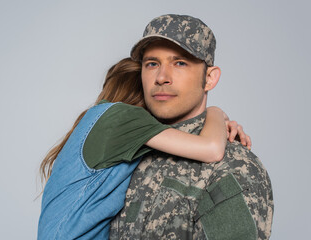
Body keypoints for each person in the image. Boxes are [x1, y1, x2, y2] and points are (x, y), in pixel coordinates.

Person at [37, 57, 250, 239]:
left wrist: (218, 126)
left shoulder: (98, 122)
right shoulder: (122, 118)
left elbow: (188, 136)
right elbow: (211, 149)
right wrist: (216, 112)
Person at [110, 14, 273, 240]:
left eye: (180, 63)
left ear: (209, 79)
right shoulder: (125, 152)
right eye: (152, 64)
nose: (162, 77)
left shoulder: (233, 166)